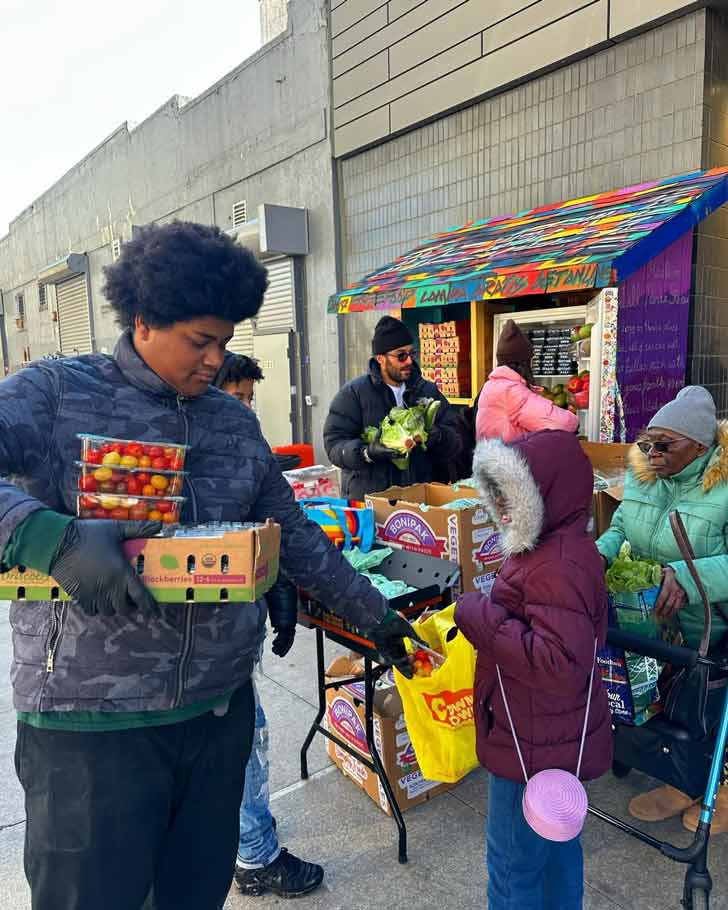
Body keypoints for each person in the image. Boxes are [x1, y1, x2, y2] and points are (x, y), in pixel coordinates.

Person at [0, 221, 418, 910]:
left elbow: (299, 536)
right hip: (93, 731)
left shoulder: (230, 423)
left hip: (215, 716)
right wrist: (49, 537)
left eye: (226, 342)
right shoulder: (56, 395)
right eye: (200, 341)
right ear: (143, 320)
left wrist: (375, 616)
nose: (215, 359)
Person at [455, 429, 612, 910]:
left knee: (513, 866)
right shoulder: (557, 547)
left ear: (547, 494)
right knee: (557, 847)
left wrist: (478, 615)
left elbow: (560, 663)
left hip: (530, 742)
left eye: (513, 494)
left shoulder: (554, 564)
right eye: (496, 494)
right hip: (549, 733)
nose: (502, 507)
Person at [214, 353, 323, 898]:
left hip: (236, 630)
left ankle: (241, 841)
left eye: (251, 401)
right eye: (236, 399)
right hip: (208, 643)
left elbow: (271, 527)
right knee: (244, 742)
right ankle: (255, 856)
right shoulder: (194, 453)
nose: (246, 412)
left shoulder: (243, 446)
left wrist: (278, 588)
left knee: (241, 740)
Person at [597, 385, 728, 832]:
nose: (651, 452)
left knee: (706, 704)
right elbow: (620, 527)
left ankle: (721, 786)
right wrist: (597, 555)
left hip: (713, 622)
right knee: (665, 702)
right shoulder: (643, 476)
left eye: (664, 444)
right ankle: (682, 775)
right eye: (646, 442)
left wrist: (689, 577)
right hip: (652, 619)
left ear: (701, 447)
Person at [323, 314, 461, 501]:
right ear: (380, 358)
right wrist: (367, 453)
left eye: (412, 354)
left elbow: (456, 439)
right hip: (373, 503)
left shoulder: (427, 391)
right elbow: (334, 445)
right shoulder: (354, 394)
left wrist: (438, 436)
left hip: (419, 502)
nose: (409, 361)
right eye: (401, 355)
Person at [476, 319, 578, 442]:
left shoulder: (491, 385)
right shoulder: (512, 392)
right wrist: (574, 416)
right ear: (525, 362)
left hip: (491, 457)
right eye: (532, 360)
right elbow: (564, 423)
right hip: (511, 459)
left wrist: (533, 395)